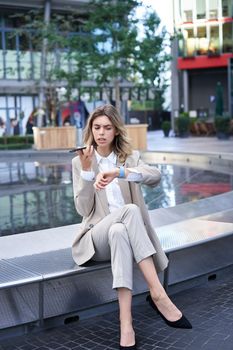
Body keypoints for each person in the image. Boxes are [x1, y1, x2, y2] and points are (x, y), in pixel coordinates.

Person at [71, 104, 192, 350]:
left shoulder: (129, 158)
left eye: (107, 127)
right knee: (130, 212)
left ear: (116, 131)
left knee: (119, 231)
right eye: (96, 127)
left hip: (122, 235)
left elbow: (155, 177)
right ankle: (158, 294)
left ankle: (126, 324)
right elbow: (83, 211)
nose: (101, 133)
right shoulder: (81, 161)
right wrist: (86, 172)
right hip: (95, 239)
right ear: (90, 129)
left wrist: (121, 172)